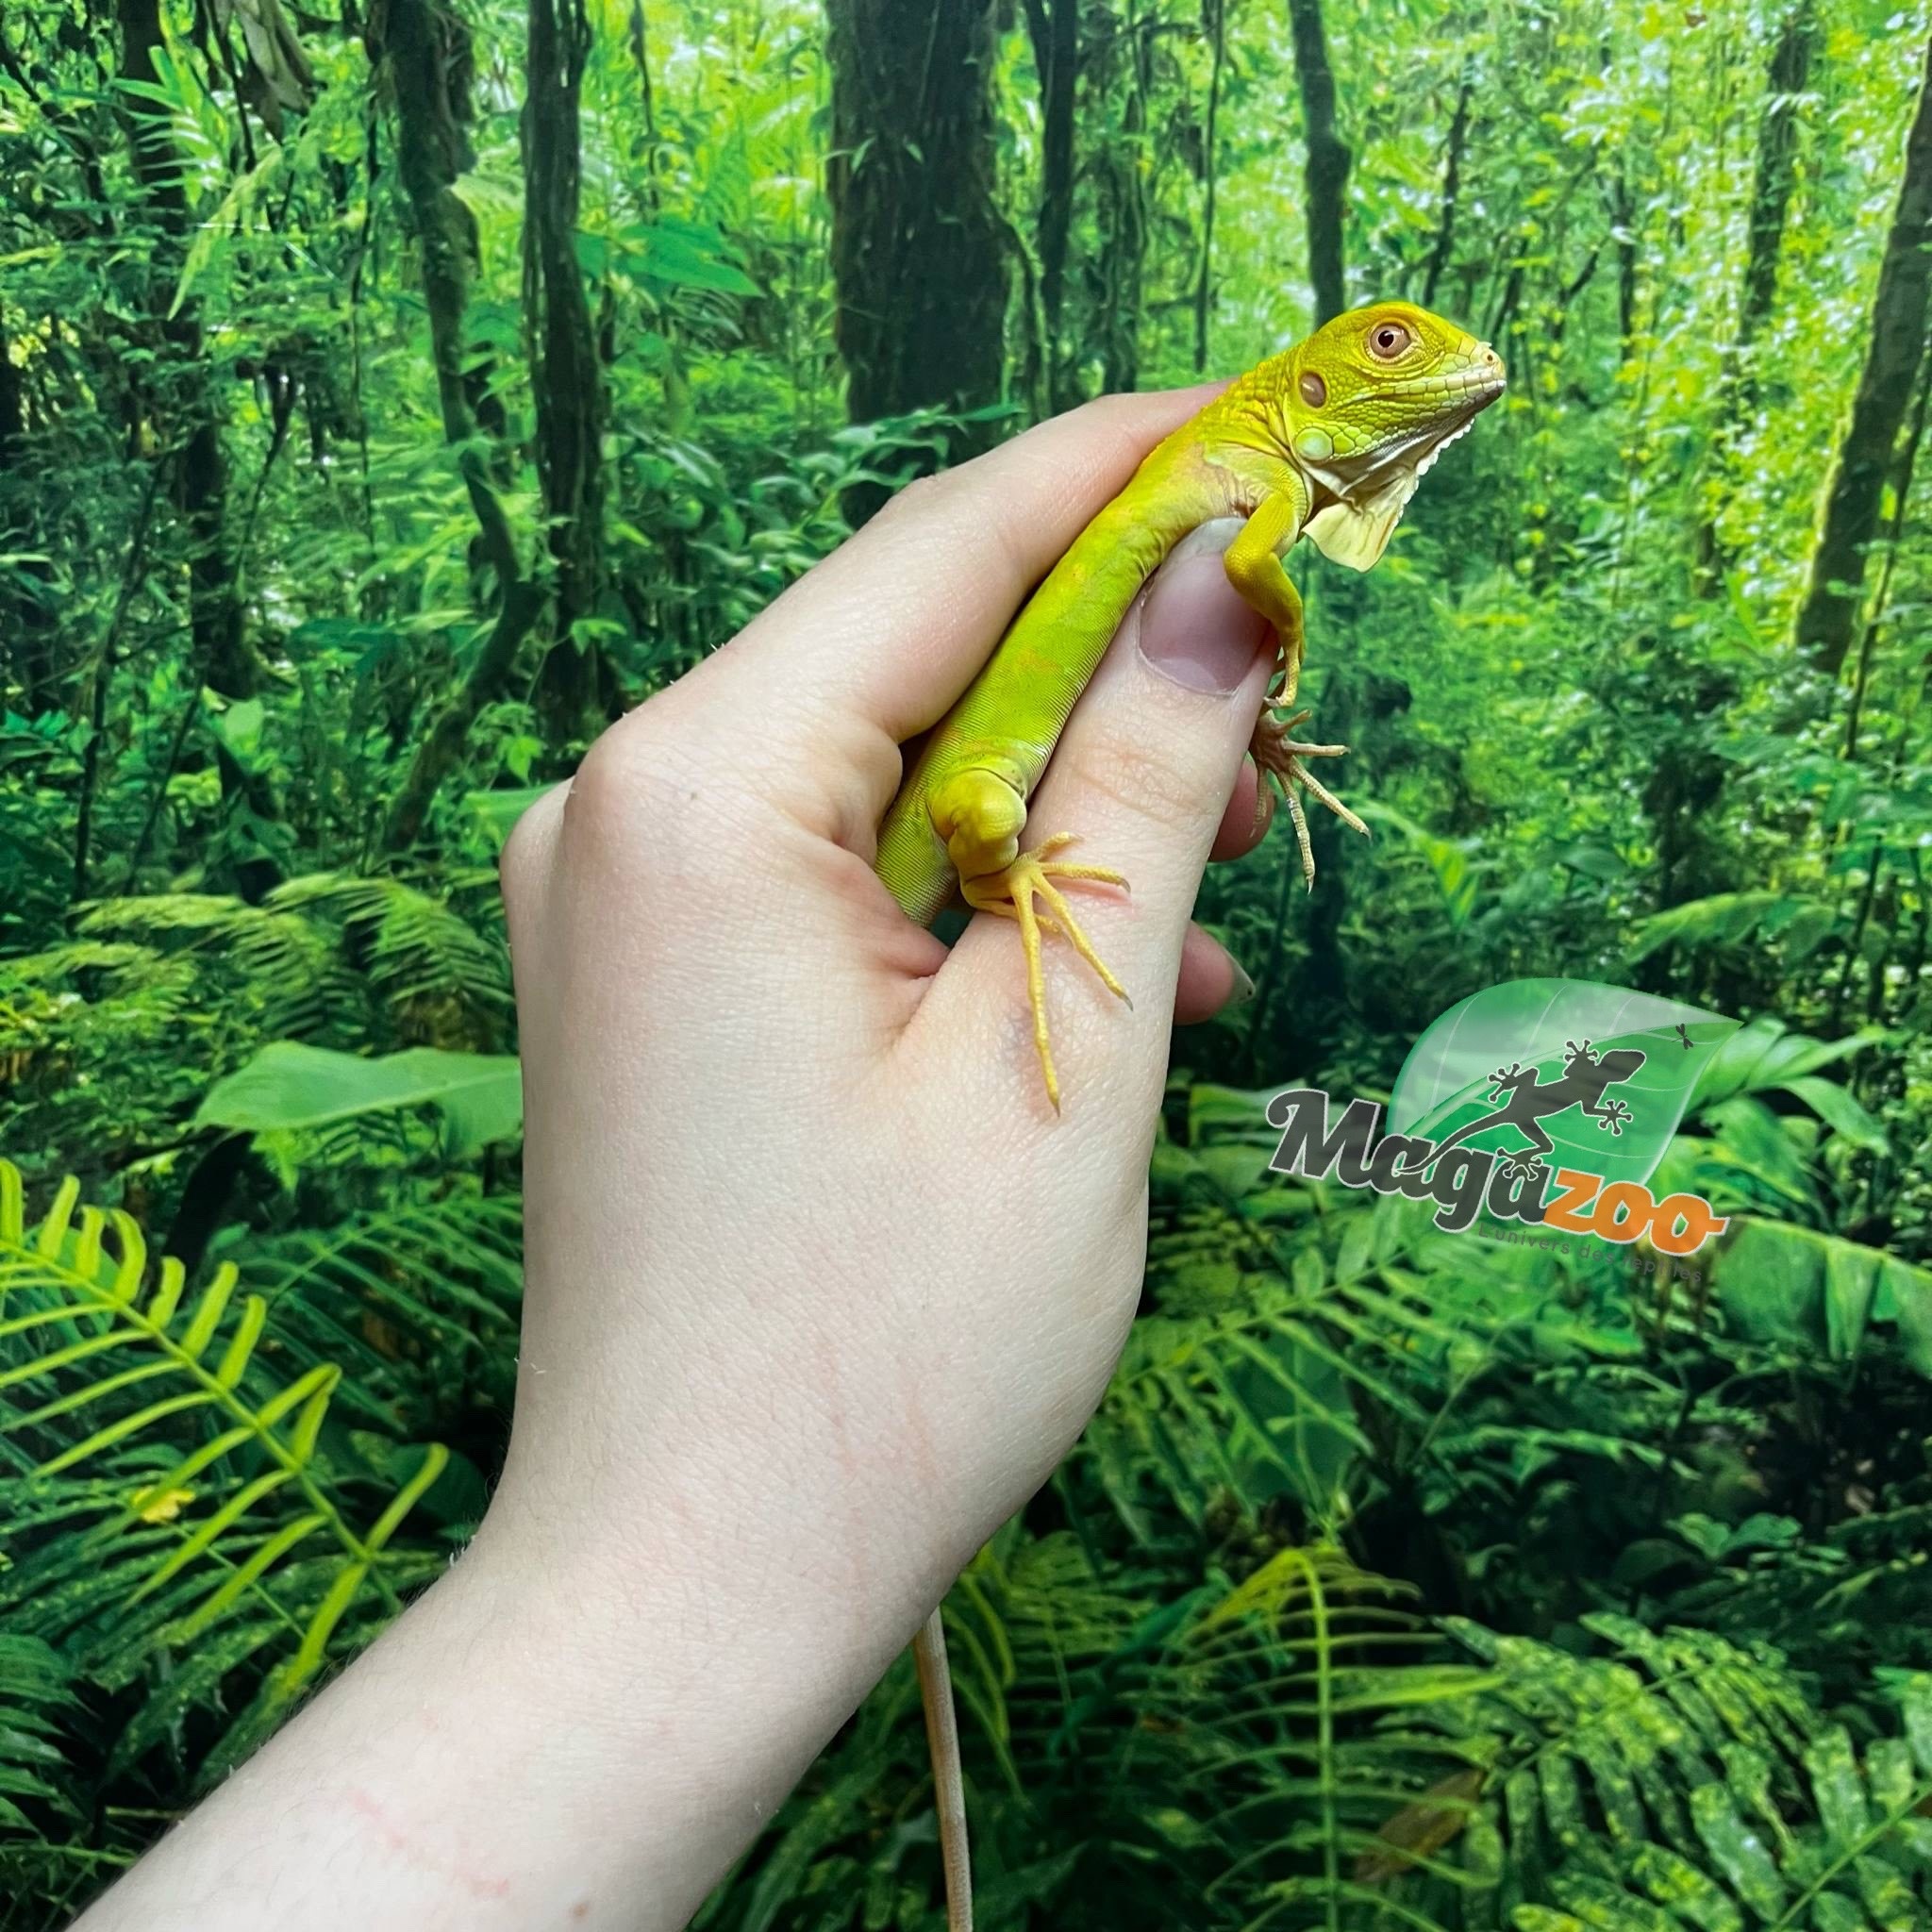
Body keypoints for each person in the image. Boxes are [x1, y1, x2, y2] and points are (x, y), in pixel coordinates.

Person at [74, 384, 1284, 1930]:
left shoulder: (1226, 468)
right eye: (1387, 341)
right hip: (978, 817)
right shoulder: (1239, 482)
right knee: (1011, 830)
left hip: (976, 817)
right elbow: (1236, 596)